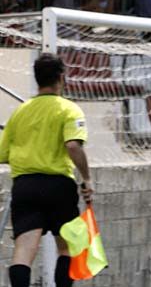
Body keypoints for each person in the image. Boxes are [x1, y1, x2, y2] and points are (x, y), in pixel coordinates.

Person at [0, 53, 93, 287]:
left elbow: (3, 154)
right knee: (67, 248)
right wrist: (87, 180)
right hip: (58, 186)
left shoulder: (20, 112)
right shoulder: (69, 109)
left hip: (25, 185)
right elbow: (73, 145)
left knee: (23, 250)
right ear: (62, 77)